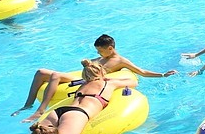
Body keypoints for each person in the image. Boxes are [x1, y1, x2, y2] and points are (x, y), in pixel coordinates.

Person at [13, 34, 175, 117]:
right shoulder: (101, 58)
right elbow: (88, 68)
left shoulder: (120, 61)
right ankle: (28, 105)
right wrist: (86, 63)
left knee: (55, 75)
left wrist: (162, 75)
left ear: (110, 48)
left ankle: (41, 109)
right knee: (40, 72)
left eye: (100, 50)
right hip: (81, 77)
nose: (98, 53)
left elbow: (142, 72)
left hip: (87, 82)